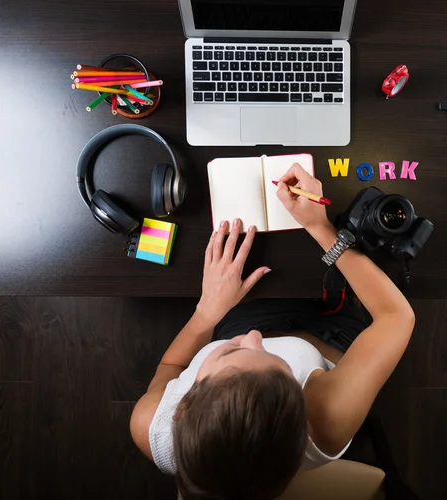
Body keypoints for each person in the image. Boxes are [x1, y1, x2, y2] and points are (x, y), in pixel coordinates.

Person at [130, 164, 415, 500]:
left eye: (232, 354)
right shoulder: (327, 420)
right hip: (330, 332)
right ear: (301, 423)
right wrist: (321, 229)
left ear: (181, 407)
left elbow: (171, 368)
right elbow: (395, 316)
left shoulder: (151, 425)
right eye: (281, 370)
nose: (255, 338)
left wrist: (208, 311)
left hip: (225, 319)